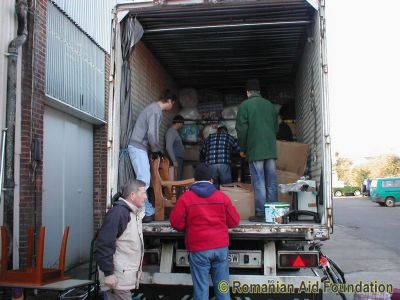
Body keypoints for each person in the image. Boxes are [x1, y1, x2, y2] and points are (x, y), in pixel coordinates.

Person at [170, 164, 240, 300]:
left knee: (201, 290)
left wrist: (187, 226)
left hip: (198, 249)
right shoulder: (222, 197)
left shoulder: (186, 198)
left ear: (194, 181)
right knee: (223, 288)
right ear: (212, 180)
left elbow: (176, 222)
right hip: (220, 248)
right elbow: (234, 221)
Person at [128, 89, 177, 223]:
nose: (172, 106)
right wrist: (156, 149)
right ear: (169, 101)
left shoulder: (153, 109)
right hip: (138, 147)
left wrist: (155, 150)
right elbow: (151, 133)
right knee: (144, 179)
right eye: (173, 103)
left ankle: (145, 207)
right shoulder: (155, 110)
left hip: (139, 147)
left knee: (144, 178)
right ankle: (142, 208)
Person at [95, 180, 146, 300]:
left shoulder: (132, 213)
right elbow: (104, 244)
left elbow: (128, 246)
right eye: (143, 193)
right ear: (132, 195)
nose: (146, 196)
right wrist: (108, 274)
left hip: (121, 277)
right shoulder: (118, 213)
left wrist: (137, 271)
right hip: (116, 280)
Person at [235, 79, 279, 222]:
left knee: (259, 182)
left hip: (255, 150)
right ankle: (273, 213)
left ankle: (261, 213)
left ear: (248, 92)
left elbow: (242, 130)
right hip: (270, 150)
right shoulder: (270, 106)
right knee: (271, 182)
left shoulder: (245, 105)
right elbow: (276, 128)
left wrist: (243, 148)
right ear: (259, 91)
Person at [165, 115, 185, 180]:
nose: (182, 126)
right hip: (175, 159)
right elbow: (168, 146)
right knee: (175, 178)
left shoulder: (175, 132)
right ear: (178, 123)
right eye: (182, 123)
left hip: (178, 159)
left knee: (178, 178)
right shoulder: (171, 131)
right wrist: (174, 160)